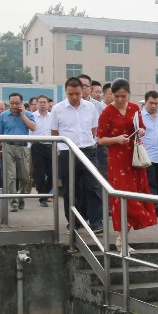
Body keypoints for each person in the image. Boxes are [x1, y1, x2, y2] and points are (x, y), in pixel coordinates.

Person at [96, 80, 158, 235]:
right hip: (117, 159)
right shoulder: (106, 112)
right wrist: (116, 139)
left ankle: (122, 238)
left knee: (136, 193)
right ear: (111, 94)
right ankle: (122, 235)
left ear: (129, 94)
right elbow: (101, 139)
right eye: (116, 96)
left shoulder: (135, 108)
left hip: (134, 157)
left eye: (123, 96)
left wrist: (141, 131)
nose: (120, 99)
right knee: (123, 196)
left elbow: (142, 127)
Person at [50, 76, 104, 231]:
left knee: (93, 187)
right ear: (66, 92)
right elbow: (54, 132)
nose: (74, 97)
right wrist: (60, 148)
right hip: (67, 152)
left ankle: (96, 222)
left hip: (88, 150)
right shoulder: (58, 109)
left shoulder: (90, 107)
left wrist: (90, 142)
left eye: (77, 94)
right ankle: (74, 222)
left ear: (84, 91)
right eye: (70, 94)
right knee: (70, 189)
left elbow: (94, 129)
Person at [0, 93, 37, 210]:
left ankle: (21, 198)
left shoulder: (28, 114)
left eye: (17, 103)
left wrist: (23, 115)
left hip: (22, 147)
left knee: (24, 177)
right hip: (8, 147)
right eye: (12, 103)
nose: (14, 105)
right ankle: (13, 202)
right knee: (11, 176)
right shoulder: (3, 116)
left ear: (21, 103)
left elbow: (33, 127)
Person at [29, 94, 54, 207]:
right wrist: (29, 147)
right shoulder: (32, 116)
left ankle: (46, 192)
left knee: (53, 173)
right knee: (39, 173)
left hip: (50, 146)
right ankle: (42, 197)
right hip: (37, 146)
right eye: (40, 102)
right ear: (37, 104)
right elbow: (29, 132)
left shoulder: (52, 116)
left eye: (44, 102)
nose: (42, 104)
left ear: (48, 104)